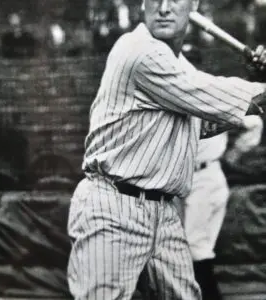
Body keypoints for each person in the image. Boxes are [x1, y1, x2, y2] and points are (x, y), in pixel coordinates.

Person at [67, 0, 266, 299]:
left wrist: (258, 84)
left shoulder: (177, 65)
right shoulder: (139, 51)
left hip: (163, 210)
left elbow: (201, 119)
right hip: (113, 208)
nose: (163, 8)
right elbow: (210, 96)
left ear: (194, 5)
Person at [184, 115, 263, 300]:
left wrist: (235, 153)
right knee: (188, 248)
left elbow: (253, 122)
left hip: (204, 174)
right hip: (179, 179)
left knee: (194, 248)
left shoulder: (213, 100)